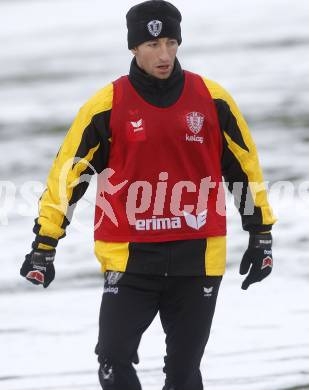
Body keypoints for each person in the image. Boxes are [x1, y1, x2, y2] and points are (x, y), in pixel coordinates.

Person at [20, 1, 277, 389]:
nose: (164, 55)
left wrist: (261, 235)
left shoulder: (213, 99)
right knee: (112, 360)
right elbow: (66, 177)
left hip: (198, 253)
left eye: (172, 43)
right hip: (130, 256)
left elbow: (245, 169)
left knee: (184, 375)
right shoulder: (106, 106)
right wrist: (45, 243)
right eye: (154, 44)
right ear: (134, 47)